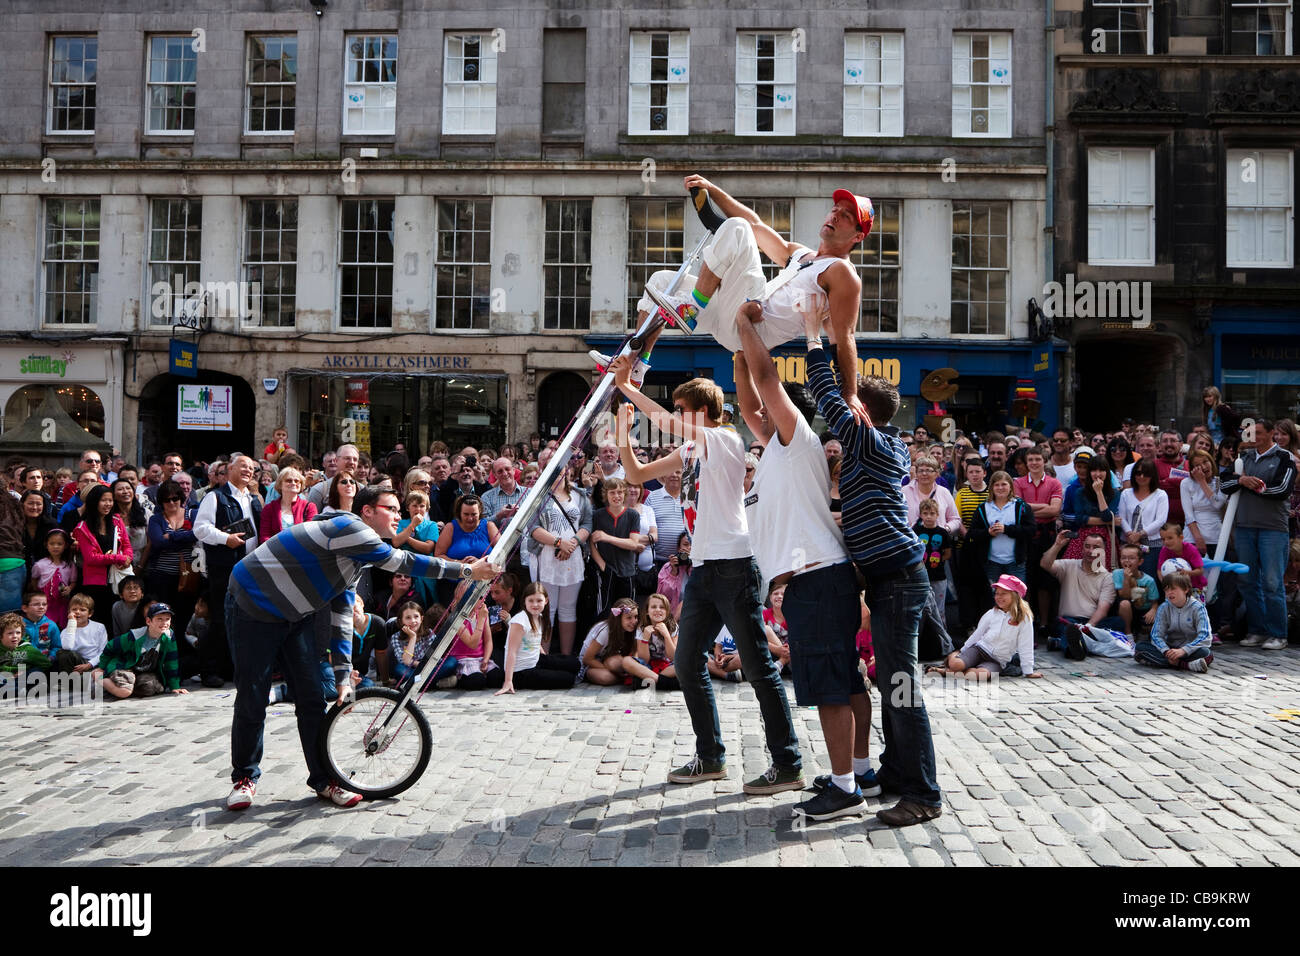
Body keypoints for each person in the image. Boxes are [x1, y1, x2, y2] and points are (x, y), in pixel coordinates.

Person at [223, 486, 499, 811]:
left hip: (295, 614)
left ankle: (325, 780)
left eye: (400, 510)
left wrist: (342, 676)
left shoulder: (356, 559)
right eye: (392, 508)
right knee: (253, 695)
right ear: (367, 511)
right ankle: (245, 777)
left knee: (311, 698)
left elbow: (341, 614)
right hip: (251, 607)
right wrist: (467, 569)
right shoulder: (348, 529)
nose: (400, 515)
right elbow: (402, 561)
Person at [610, 358, 803, 796]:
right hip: (704, 568)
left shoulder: (725, 439)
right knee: (686, 660)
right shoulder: (692, 449)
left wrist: (628, 390)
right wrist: (623, 435)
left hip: (735, 564)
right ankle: (711, 757)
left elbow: (661, 422)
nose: (675, 416)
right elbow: (637, 474)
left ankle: (788, 763)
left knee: (758, 667)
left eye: (680, 409)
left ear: (698, 413)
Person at [804, 314, 942, 827]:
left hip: (899, 581)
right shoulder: (876, 444)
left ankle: (925, 794)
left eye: (850, 403)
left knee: (903, 687)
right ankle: (895, 773)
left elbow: (826, 392)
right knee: (891, 683)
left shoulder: (871, 440)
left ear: (861, 411)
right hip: (889, 581)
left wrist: (816, 338)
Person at [733, 318, 874, 819]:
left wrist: (750, 327)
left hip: (817, 580)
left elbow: (766, 382)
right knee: (849, 680)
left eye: (768, 412)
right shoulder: (773, 449)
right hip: (812, 583)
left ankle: (845, 790)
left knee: (834, 688)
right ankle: (859, 771)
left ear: (786, 413)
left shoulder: (796, 443)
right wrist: (736, 343)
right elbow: (750, 395)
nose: (756, 416)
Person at [608, 175, 873, 426]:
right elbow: (756, 224)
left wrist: (850, 393)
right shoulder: (800, 255)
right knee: (662, 281)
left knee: (736, 228)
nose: (836, 215)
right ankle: (637, 364)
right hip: (733, 318)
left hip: (753, 328)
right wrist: (713, 189)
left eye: (846, 216)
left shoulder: (843, 272)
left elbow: (845, 336)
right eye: (835, 209)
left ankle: (693, 306)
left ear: (857, 237)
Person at [1223, 418, 1296, 650]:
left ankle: (1278, 634)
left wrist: (1248, 485)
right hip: (1245, 526)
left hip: (1273, 528)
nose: (1254, 438)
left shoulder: (1285, 458)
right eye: (1251, 433)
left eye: (1259, 433)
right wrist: (1242, 480)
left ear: (1272, 433)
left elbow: (1281, 490)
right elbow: (1224, 484)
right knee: (1247, 581)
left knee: (1272, 583)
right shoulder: (1244, 459)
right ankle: (1257, 629)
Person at [193, 453, 260, 688]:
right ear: (229, 469)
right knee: (221, 618)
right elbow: (200, 529)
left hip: (250, 568)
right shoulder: (215, 497)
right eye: (243, 466)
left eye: (252, 468)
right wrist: (225, 538)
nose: (248, 471)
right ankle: (209, 669)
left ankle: (232, 668)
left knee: (244, 620)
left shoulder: (253, 500)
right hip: (224, 567)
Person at [526, 470, 592, 654]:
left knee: (568, 608)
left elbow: (587, 524)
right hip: (546, 557)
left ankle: (566, 657)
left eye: (563, 470)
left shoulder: (580, 495)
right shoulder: (538, 495)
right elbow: (532, 527)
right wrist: (558, 543)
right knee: (547, 609)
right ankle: (543, 657)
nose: (560, 474)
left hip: (573, 556)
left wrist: (571, 544)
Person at [937, 575, 1040, 680]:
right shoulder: (991, 613)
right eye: (997, 593)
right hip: (979, 650)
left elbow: (1026, 645)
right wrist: (963, 651)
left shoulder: (1024, 618)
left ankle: (948, 672)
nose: (998, 597)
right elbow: (977, 634)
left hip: (997, 661)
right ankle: (954, 658)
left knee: (982, 675)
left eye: (1003, 594)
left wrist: (1028, 671)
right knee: (956, 665)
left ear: (1015, 596)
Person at [1040, 530, 1124, 658]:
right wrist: (1057, 544)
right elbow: (1045, 564)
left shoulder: (1107, 577)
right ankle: (1075, 647)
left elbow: (1102, 610)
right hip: (1068, 620)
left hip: (1092, 623)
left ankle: (1067, 643)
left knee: (1118, 622)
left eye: (1096, 547)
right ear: (1082, 548)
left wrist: (1088, 627)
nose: (1090, 551)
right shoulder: (1068, 565)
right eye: (1087, 546)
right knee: (1068, 628)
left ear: (1103, 551)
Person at [493, 582, 579, 693]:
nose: (535, 604)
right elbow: (511, 652)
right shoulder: (520, 621)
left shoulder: (540, 616)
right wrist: (508, 681)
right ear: (525, 601)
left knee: (575, 663)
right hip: (522, 671)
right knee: (569, 679)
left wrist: (547, 661)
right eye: (531, 600)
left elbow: (534, 641)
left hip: (536, 660)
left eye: (539, 601)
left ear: (546, 601)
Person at [73, 484, 133, 633]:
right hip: (95, 582)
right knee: (100, 620)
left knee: (118, 621)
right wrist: (118, 558)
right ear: (94, 502)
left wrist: (128, 559)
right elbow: (91, 558)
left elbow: (127, 545)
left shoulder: (117, 521)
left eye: (110, 500)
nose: (108, 504)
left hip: (118, 578)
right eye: (103, 500)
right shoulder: (82, 528)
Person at [97, 602, 188, 699]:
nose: (164, 623)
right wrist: (102, 667)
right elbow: (110, 646)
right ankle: (100, 679)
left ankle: (125, 686)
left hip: (144, 671)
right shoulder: (134, 636)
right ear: (149, 621)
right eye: (159, 619)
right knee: (125, 692)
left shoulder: (169, 636)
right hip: (125, 667)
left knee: (152, 688)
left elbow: (171, 662)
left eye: (167, 619)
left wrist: (175, 687)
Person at [1134, 572, 1213, 672]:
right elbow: (1156, 635)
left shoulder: (1198, 608)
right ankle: (1186, 665)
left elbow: (1205, 636)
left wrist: (1184, 650)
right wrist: (1166, 651)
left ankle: (1176, 663)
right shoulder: (1164, 607)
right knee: (1140, 647)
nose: (1169, 593)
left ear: (1185, 589)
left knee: (1206, 653)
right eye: (1166, 590)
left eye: (1173, 589)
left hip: (1189, 650)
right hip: (1169, 649)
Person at [589, 478, 645, 615]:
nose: (616, 496)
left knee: (627, 613)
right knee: (606, 613)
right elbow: (591, 542)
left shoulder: (633, 515)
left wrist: (607, 537)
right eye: (612, 492)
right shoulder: (598, 515)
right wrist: (602, 565)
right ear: (606, 494)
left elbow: (633, 544)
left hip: (627, 571)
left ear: (625, 494)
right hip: (606, 572)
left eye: (620, 492)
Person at [968, 470, 1034, 586]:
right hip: (991, 563)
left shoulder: (1021, 506)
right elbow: (972, 533)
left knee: (1016, 598)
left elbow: (1031, 530)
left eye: (1004, 484)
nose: (1000, 488)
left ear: (1010, 486)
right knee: (995, 598)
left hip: (1015, 562)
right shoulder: (983, 508)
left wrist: (1007, 529)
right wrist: (988, 532)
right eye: (996, 484)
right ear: (991, 487)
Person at [434, 494, 499, 607]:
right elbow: (439, 555)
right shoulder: (451, 527)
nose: (470, 518)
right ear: (459, 513)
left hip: (483, 585)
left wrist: (479, 562)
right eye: (466, 514)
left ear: (480, 513)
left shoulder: (489, 526)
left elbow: (501, 554)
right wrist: (459, 563)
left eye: (474, 514)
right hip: (453, 584)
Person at [436, 579, 497, 690]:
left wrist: (486, 659)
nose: (478, 601)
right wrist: (481, 620)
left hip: (480, 658)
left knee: (497, 678)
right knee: (477, 681)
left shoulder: (481, 612)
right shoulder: (456, 617)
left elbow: (488, 640)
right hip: (463, 660)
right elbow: (472, 644)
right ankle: (455, 680)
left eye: (478, 597)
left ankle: (480, 674)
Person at [1119, 459, 1169, 579]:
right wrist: (1130, 534)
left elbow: (1161, 520)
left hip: (1152, 545)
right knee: (1128, 578)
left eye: (1146, 474)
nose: (1141, 477)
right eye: (1138, 473)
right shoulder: (1126, 493)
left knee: (1149, 578)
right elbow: (1121, 517)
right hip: (1129, 543)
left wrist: (1140, 534)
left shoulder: (1160, 495)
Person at [578, 598, 639, 685]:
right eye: (629, 618)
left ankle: (623, 676)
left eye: (636, 617)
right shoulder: (605, 631)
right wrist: (607, 668)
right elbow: (587, 659)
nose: (634, 621)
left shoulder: (631, 630)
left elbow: (633, 652)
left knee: (618, 662)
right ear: (618, 618)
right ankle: (623, 678)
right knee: (606, 677)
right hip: (590, 664)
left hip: (607, 659)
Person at [914, 499, 955, 617]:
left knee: (939, 608)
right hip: (920, 575)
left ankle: (941, 633)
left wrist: (937, 560)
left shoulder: (942, 533)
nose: (928, 517)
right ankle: (924, 634)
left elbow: (948, 553)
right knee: (921, 608)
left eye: (932, 513)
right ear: (920, 515)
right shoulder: (916, 531)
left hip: (938, 576)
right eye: (925, 513)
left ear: (937, 514)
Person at [31, 529, 75, 628]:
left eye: (59, 544)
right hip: (45, 604)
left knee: (62, 626)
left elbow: (73, 581)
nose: (56, 546)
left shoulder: (70, 565)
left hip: (63, 604)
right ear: (46, 545)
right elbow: (34, 580)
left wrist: (70, 588)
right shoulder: (40, 565)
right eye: (52, 543)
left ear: (66, 545)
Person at [1113, 543, 1159, 635]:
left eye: (1131, 558)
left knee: (1150, 624)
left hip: (1143, 611)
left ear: (1140, 562)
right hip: (1125, 610)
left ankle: (1144, 637)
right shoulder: (1117, 573)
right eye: (1123, 557)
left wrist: (1153, 610)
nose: (1127, 561)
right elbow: (1124, 595)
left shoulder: (1149, 580)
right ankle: (1128, 633)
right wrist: (1126, 579)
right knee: (1124, 603)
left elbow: (1155, 602)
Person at [258, 467, 317, 539]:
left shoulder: (309, 507)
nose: (293, 483)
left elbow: (310, 534)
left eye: (297, 481)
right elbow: (265, 536)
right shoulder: (269, 509)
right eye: (289, 480)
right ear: (280, 484)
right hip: (275, 549)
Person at [655, 530, 693, 617]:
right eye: (686, 544)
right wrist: (673, 572)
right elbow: (662, 596)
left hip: (692, 615)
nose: (689, 548)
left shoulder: (700, 568)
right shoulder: (668, 566)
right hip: (671, 615)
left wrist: (693, 563)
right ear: (679, 548)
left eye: (693, 545)